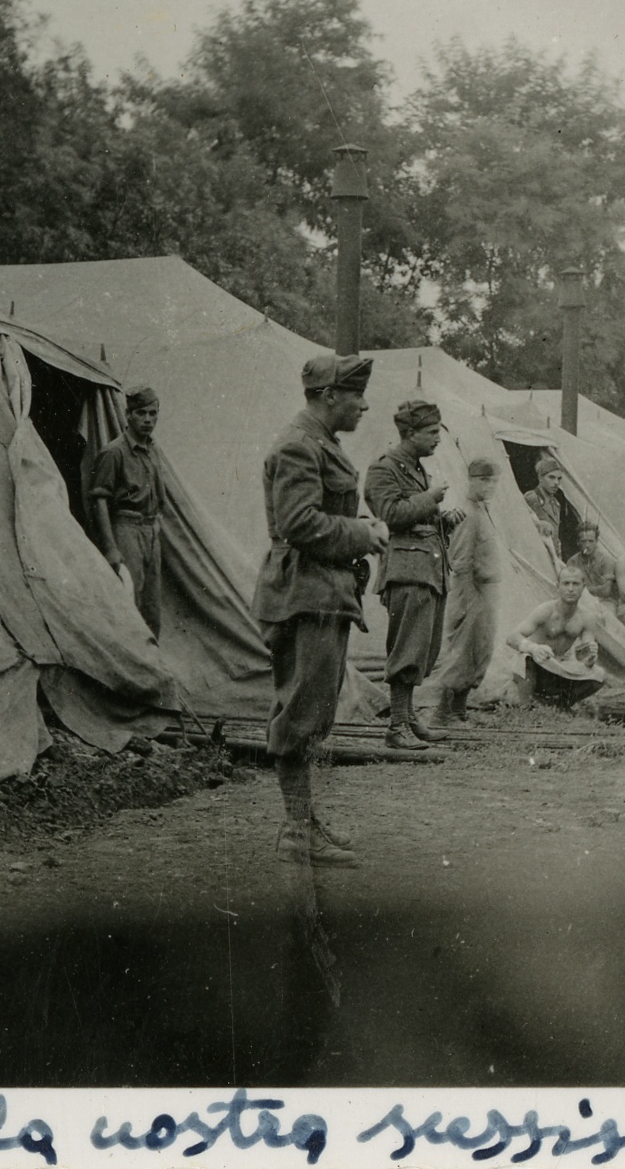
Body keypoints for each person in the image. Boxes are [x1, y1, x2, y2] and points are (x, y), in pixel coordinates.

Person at [253, 353, 388, 868]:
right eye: (356, 396)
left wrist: (357, 529)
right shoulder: (299, 446)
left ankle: (303, 820)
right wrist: (362, 534)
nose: (363, 406)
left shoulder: (321, 443)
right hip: (303, 594)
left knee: (313, 709)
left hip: (321, 593)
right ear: (330, 396)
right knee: (301, 711)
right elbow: (298, 523)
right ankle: (295, 830)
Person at [364, 398, 465, 751]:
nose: (437, 438)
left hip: (428, 569)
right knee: (407, 649)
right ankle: (396, 726)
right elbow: (389, 514)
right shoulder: (384, 469)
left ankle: (408, 719)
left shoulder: (416, 468)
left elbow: (417, 519)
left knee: (423, 649)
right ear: (410, 433)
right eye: (432, 432)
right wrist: (430, 499)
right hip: (407, 571)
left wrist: (443, 520)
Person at [429, 457, 504, 727]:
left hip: (486, 593)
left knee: (479, 651)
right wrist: (467, 600)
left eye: (493, 481)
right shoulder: (467, 513)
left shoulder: (483, 510)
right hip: (470, 592)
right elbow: (460, 562)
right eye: (484, 480)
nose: (490, 486)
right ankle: (442, 714)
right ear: (471, 481)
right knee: (462, 653)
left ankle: (459, 712)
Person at [90, 385, 169, 639]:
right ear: (128, 415)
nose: (148, 420)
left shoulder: (153, 451)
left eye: (153, 414)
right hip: (126, 529)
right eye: (141, 413)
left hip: (150, 531)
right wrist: (111, 547)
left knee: (151, 606)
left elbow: (159, 496)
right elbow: (99, 500)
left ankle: (151, 659)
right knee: (128, 603)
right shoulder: (114, 452)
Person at [507, 563, 607, 710]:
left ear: (583, 587)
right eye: (566, 583)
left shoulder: (587, 617)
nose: (571, 589)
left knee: (600, 675)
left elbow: (584, 656)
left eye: (575, 584)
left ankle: (560, 704)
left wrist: (590, 658)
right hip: (535, 666)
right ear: (558, 586)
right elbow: (512, 637)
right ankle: (526, 705)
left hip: (557, 667)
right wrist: (534, 648)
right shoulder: (545, 610)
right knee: (525, 658)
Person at [572, 519, 625, 658]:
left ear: (596, 541)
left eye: (591, 541)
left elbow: (606, 591)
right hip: (586, 602)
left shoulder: (606, 560)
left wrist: (584, 589)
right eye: (583, 541)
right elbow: (622, 593)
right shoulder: (573, 561)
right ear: (578, 542)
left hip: (606, 601)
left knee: (608, 620)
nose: (587, 545)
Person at [523, 455, 585, 563]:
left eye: (559, 478)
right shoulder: (532, 498)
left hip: (552, 558)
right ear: (540, 478)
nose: (556, 482)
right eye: (551, 477)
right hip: (536, 557)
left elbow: (555, 538)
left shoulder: (556, 504)